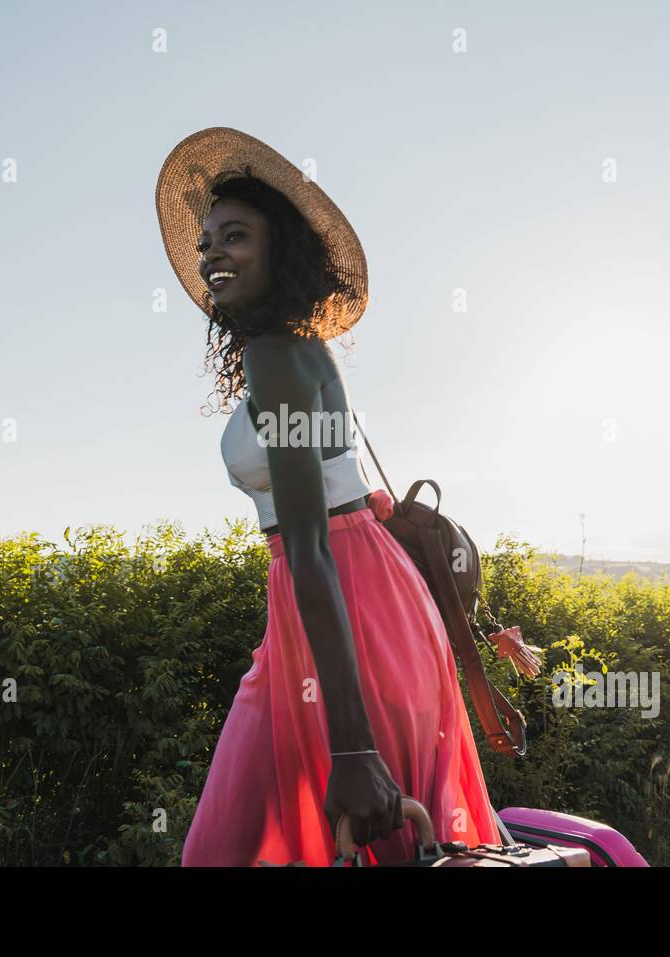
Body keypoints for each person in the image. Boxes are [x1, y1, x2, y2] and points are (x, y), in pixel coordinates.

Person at [154, 128, 539, 866]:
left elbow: (308, 541)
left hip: (345, 602)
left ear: (281, 252)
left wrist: (354, 746)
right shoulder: (298, 349)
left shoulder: (277, 355)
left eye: (234, 236)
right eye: (206, 243)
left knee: (260, 845)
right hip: (345, 607)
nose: (211, 255)